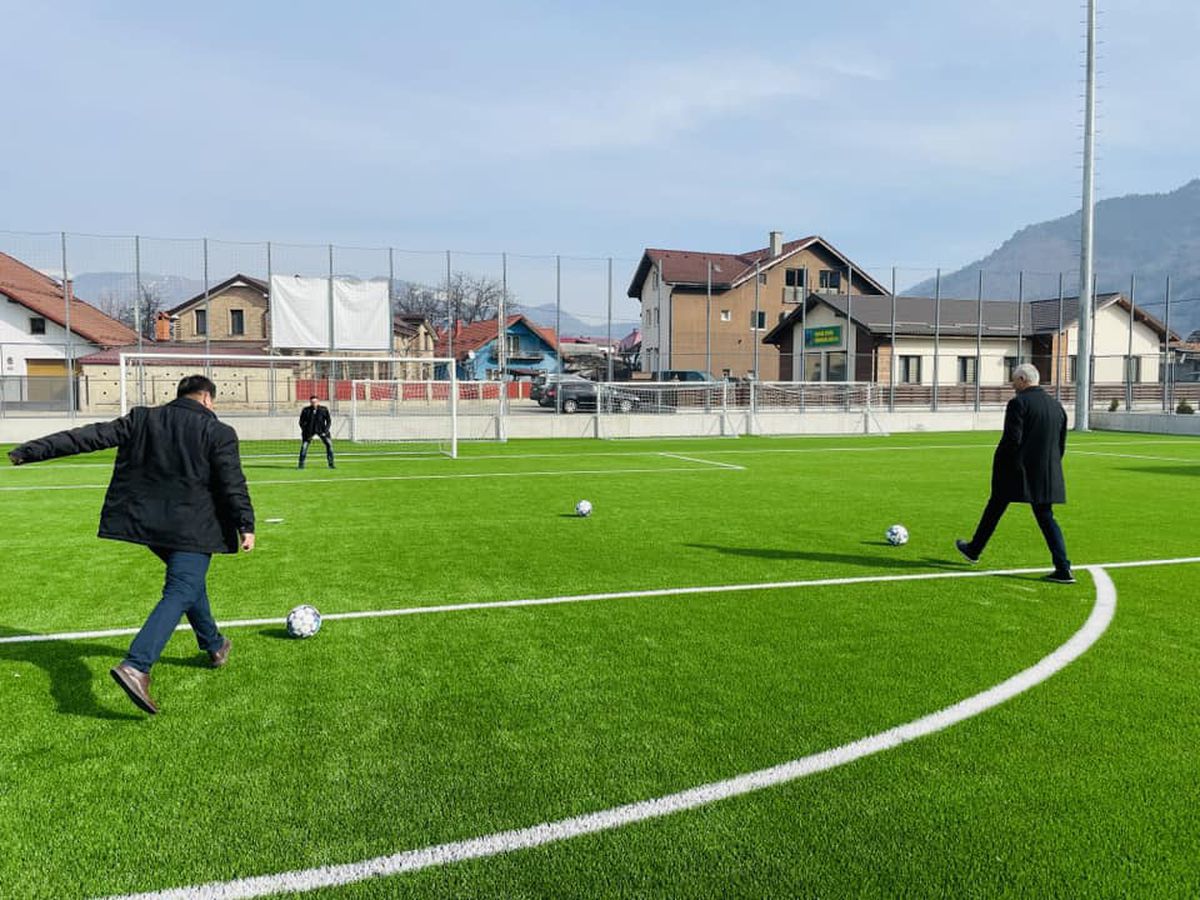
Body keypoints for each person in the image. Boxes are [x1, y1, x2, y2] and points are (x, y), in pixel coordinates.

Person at [7, 375, 255, 714]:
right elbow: (232, 481)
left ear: (180, 395)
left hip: (148, 524)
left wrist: (30, 451)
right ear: (208, 400)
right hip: (193, 527)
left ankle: (214, 643)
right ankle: (137, 665)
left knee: (189, 584)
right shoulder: (219, 431)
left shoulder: (143, 418)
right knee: (182, 587)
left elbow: (88, 437)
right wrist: (246, 524)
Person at [955, 362, 1073, 583]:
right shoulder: (1057, 406)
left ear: (1022, 380)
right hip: (1046, 473)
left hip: (1017, 471)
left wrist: (1001, 465)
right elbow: (1061, 445)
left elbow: (1012, 440)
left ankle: (974, 549)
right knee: (1046, 517)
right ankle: (1063, 567)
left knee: (995, 506)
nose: (1012, 384)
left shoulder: (1018, 403)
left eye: (1014, 379)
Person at [298, 395, 335, 469]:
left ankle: (331, 464)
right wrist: (305, 430)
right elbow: (301, 422)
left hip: (322, 431)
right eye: (312, 402)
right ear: (310, 402)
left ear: (318, 402)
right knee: (304, 447)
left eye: (315, 402)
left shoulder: (324, 409)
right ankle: (301, 465)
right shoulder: (306, 410)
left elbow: (328, 421)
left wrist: (326, 431)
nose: (313, 403)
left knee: (329, 446)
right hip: (309, 432)